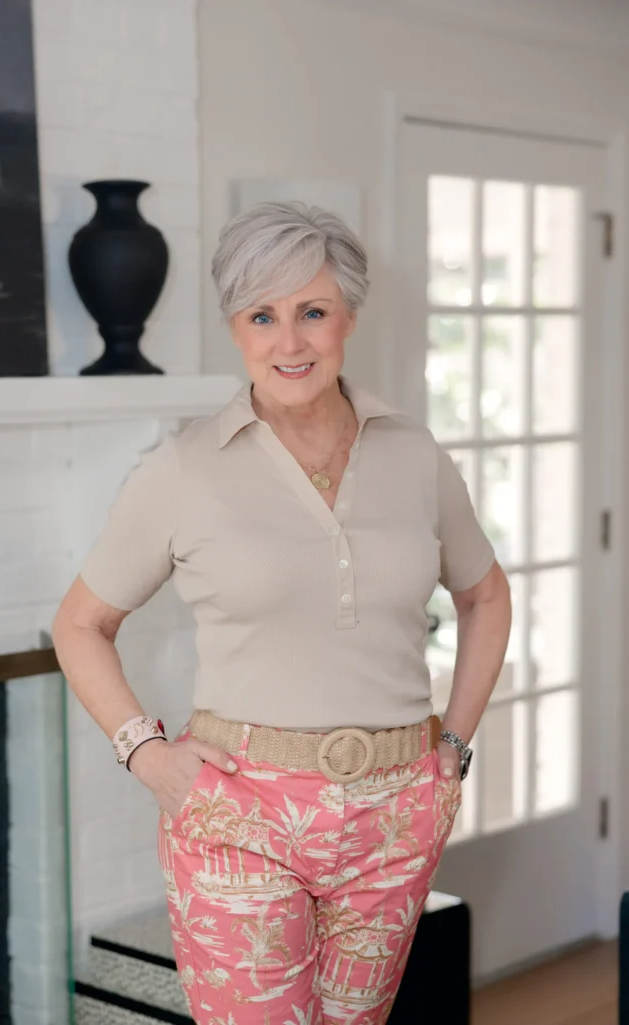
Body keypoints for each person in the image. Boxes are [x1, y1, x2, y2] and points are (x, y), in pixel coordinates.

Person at [53, 201, 511, 1024]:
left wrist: (453, 746)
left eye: (313, 311)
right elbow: (80, 624)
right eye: (261, 315)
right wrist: (147, 755)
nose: (289, 341)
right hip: (239, 811)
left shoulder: (414, 454)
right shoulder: (182, 468)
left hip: (395, 814)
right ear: (235, 326)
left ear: (349, 317)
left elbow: (483, 594)